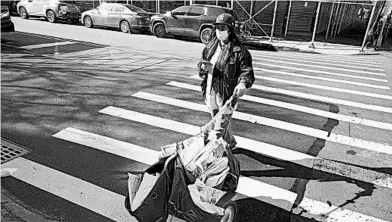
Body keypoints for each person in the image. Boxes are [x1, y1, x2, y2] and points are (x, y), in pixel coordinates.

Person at [197, 13, 255, 149]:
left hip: (227, 97)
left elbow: (247, 72)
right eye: (217, 28)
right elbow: (202, 62)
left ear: (230, 30)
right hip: (210, 91)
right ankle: (231, 142)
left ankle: (218, 158)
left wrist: (242, 83)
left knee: (217, 131)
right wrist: (203, 67)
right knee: (218, 122)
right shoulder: (211, 46)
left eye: (223, 28)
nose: (219, 31)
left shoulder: (239, 51)